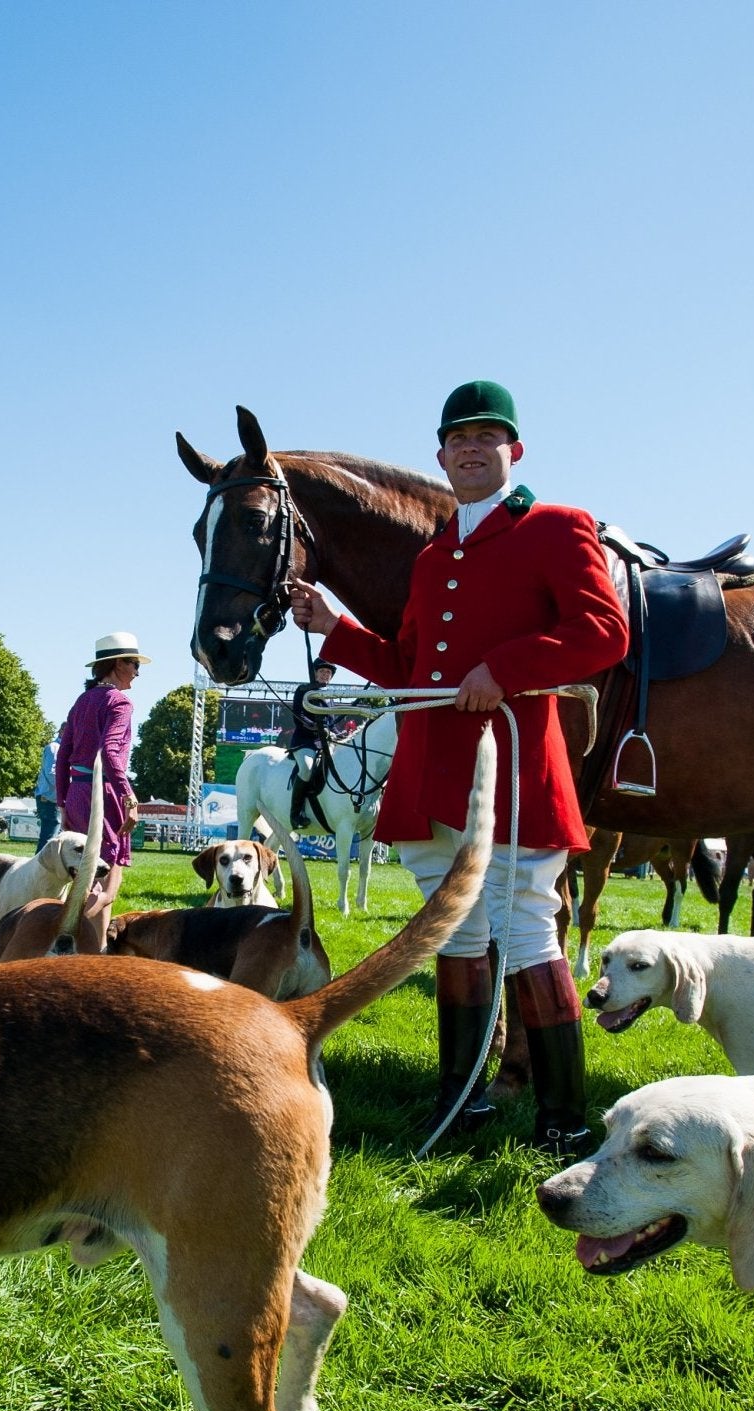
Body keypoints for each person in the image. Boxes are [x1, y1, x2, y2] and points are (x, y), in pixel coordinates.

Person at [286, 380, 629, 1154]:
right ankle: (460, 1104)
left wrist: (504, 667)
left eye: (487, 436)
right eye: (457, 438)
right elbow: (408, 665)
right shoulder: (434, 553)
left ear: (514, 451)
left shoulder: (556, 527)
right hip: (430, 771)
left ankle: (563, 1117)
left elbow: (603, 633)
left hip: (508, 766)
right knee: (454, 935)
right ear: (439, 456)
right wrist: (333, 629)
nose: (471, 448)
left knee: (526, 930)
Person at [56, 632, 147, 952]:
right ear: (118, 664)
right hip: (104, 796)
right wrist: (129, 797)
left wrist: (63, 801)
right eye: (135, 664)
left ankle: (94, 952)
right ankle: (69, 941)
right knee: (107, 887)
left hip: (78, 796)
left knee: (88, 879)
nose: (137, 671)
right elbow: (110, 753)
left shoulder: (82, 700)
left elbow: (62, 755)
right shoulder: (119, 701)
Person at [285, 660, 340, 828]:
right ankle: (295, 814)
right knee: (307, 768)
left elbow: (331, 722)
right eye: (322, 672)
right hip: (305, 741)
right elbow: (299, 716)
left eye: (328, 673)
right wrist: (316, 727)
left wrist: (339, 733)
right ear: (315, 673)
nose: (325, 675)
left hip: (324, 742)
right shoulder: (303, 691)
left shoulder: (329, 696)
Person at [34, 724, 64, 849]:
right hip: (50, 798)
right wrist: (67, 788)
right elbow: (52, 773)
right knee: (49, 839)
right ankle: (40, 867)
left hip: (53, 798)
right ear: (63, 731)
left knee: (52, 837)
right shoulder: (54, 748)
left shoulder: (60, 748)